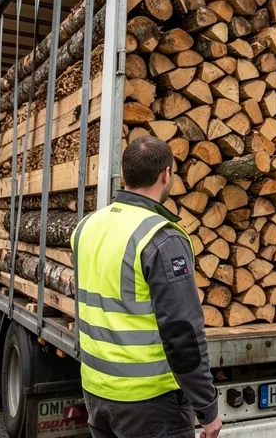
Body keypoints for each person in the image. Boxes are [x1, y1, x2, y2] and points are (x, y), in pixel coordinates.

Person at [71, 136, 221, 438]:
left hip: (97, 391)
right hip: (150, 403)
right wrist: (208, 409)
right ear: (166, 174)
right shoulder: (161, 238)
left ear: (124, 175)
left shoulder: (87, 226)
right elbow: (182, 335)